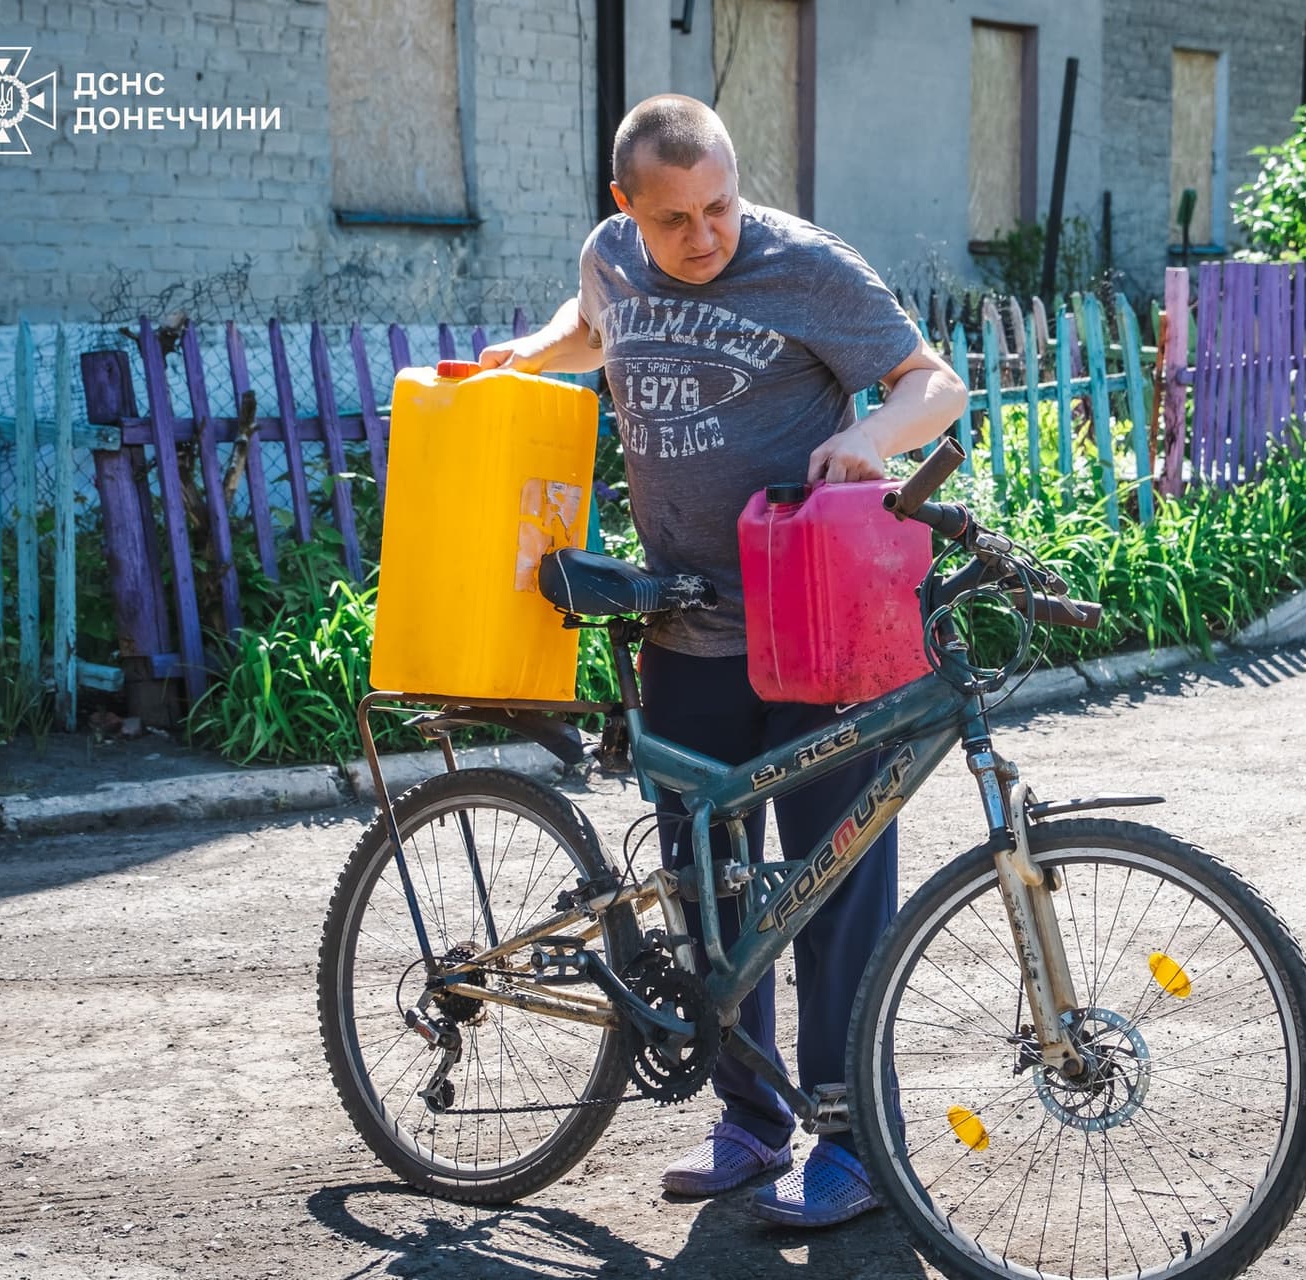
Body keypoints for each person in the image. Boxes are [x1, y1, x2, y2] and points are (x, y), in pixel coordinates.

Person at [480, 94, 966, 1227]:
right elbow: (597, 322)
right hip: (683, 633)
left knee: (829, 891)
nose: (703, 237)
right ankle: (751, 1120)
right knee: (712, 893)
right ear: (627, 210)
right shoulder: (617, 257)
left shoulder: (809, 269)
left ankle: (854, 1138)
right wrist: (531, 354)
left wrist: (868, 435)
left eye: (719, 208)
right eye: (675, 220)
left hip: (821, 639)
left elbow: (932, 384)